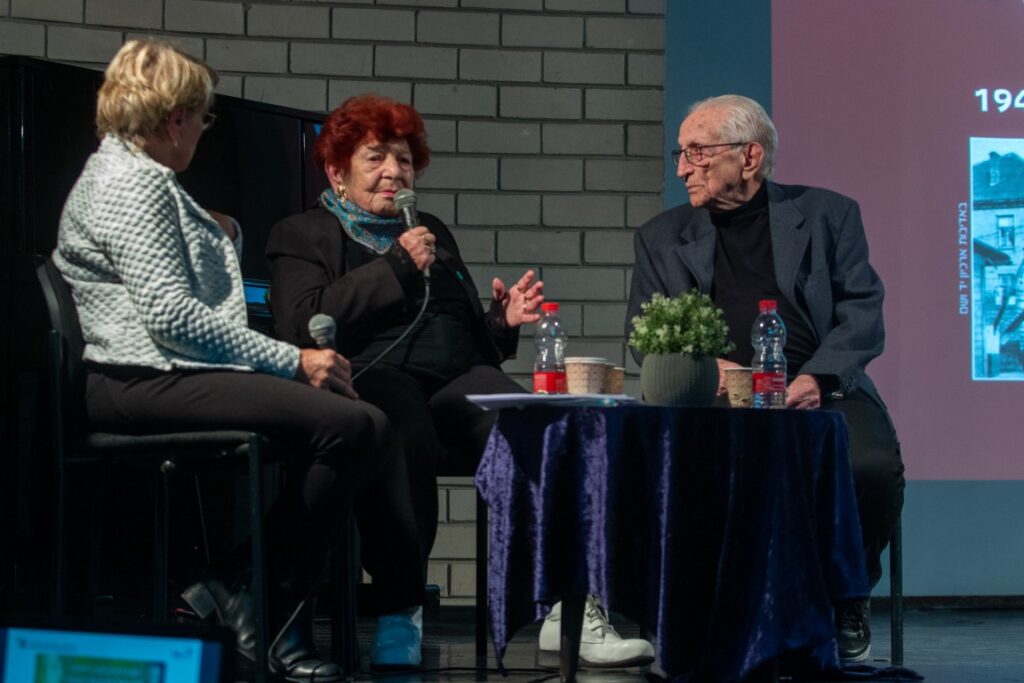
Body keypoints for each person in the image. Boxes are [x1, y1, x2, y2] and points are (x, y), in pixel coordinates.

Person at [53, 40, 423, 683]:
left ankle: (242, 591)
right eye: (202, 117)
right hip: (137, 380)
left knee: (355, 419)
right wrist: (293, 360)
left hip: (159, 372)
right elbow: (173, 319)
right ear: (176, 118)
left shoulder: (135, 176)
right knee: (353, 423)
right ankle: (255, 601)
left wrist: (216, 231)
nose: (203, 129)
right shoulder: (131, 184)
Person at [267, 93, 653, 669]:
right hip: (372, 374)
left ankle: (565, 609)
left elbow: (464, 335)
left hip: (455, 379)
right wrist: (397, 265)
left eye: (404, 160)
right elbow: (303, 321)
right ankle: (400, 609)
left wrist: (502, 322)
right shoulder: (304, 233)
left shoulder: (432, 231)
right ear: (336, 171)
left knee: (539, 428)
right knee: (399, 427)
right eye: (376, 158)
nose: (394, 171)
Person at [626, 95, 904, 663]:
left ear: (749, 156)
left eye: (696, 152)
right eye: (681, 153)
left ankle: (847, 594)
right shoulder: (661, 236)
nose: (682, 169)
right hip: (713, 396)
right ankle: (690, 612)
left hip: (820, 389)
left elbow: (862, 315)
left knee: (870, 467)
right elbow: (643, 334)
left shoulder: (828, 215)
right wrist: (708, 371)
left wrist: (816, 379)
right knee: (668, 464)